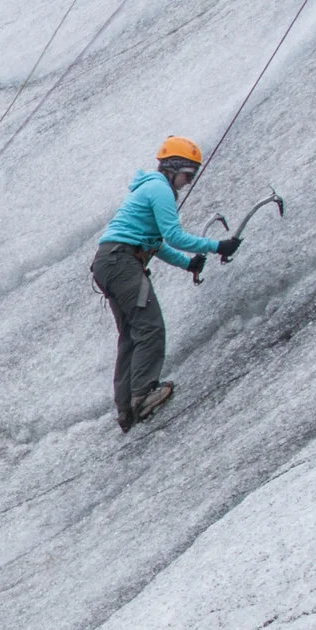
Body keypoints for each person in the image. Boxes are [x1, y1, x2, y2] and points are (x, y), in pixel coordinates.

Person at [90, 136, 241, 430]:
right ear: (172, 167)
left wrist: (187, 263)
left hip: (109, 262)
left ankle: (126, 408)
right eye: (187, 174)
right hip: (122, 262)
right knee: (150, 327)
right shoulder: (160, 189)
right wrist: (217, 246)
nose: (188, 182)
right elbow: (173, 236)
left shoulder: (149, 188)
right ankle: (143, 394)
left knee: (131, 334)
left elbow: (155, 243)